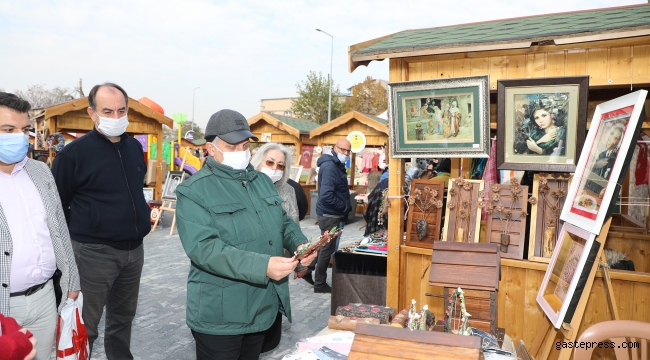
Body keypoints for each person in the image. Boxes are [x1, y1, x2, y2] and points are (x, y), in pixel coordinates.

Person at [175, 109, 317, 360]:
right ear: (210, 148)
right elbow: (204, 249)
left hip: (261, 308)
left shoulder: (260, 181)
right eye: (232, 146)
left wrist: (300, 245)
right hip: (221, 314)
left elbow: (282, 222)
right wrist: (263, 266)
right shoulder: (194, 191)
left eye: (244, 144)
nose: (241, 152)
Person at [51, 83, 150, 359]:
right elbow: (57, 207)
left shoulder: (132, 148)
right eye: (108, 111)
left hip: (134, 251)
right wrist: (88, 227)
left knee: (123, 320)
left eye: (121, 110)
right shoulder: (72, 155)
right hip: (93, 254)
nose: (116, 117)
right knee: (87, 326)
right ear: (92, 113)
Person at [0, 92, 80, 360]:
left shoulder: (40, 171)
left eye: (24, 130)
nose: (19, 137)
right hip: (4, 307)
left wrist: (72, 278)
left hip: (45, 298)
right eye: (8, 130)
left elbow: (58, 227)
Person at [303, 139, 352, 293]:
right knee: (327, 249)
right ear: (334, 148)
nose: (345, 153)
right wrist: (344, 206)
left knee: (323, 245)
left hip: (330, 213)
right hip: (330, 214)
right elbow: (326, 196)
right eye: (342, 150)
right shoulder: (331, 166)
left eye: (347, 151)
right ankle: (320, 284)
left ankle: (308, 268)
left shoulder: (336, 164)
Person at [586, 126, 623, 196]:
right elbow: (592, 175)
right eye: (611, 134)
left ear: (617, 142)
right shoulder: (602, 155)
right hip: (591, 193)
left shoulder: (616, 158)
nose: (610, 139)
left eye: (615, 138)